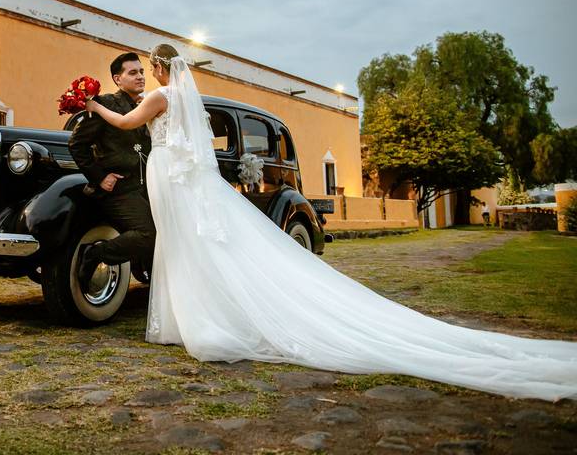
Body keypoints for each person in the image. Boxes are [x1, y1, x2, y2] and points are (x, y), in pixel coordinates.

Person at [85, 43, 577, 402]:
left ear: (157, 66)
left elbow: (128, 124)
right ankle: (193, 313)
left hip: (171, 173)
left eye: (144, 67)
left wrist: (90, 103)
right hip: (176, 174)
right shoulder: (187, 97)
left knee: (183, 242)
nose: (143, 74)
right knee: (186, 243)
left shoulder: (160, 98)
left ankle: (200, 319)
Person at [68, 52, 156, 283]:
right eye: (133, 72)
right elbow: (77, 144)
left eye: (142, 72)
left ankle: (146, 269)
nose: (140, 77)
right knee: (148, 234)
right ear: (118, 79)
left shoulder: (146, 105)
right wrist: (100, 177)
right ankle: (95, 254)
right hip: (118, 189)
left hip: (144, 187)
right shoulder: (105, 103)